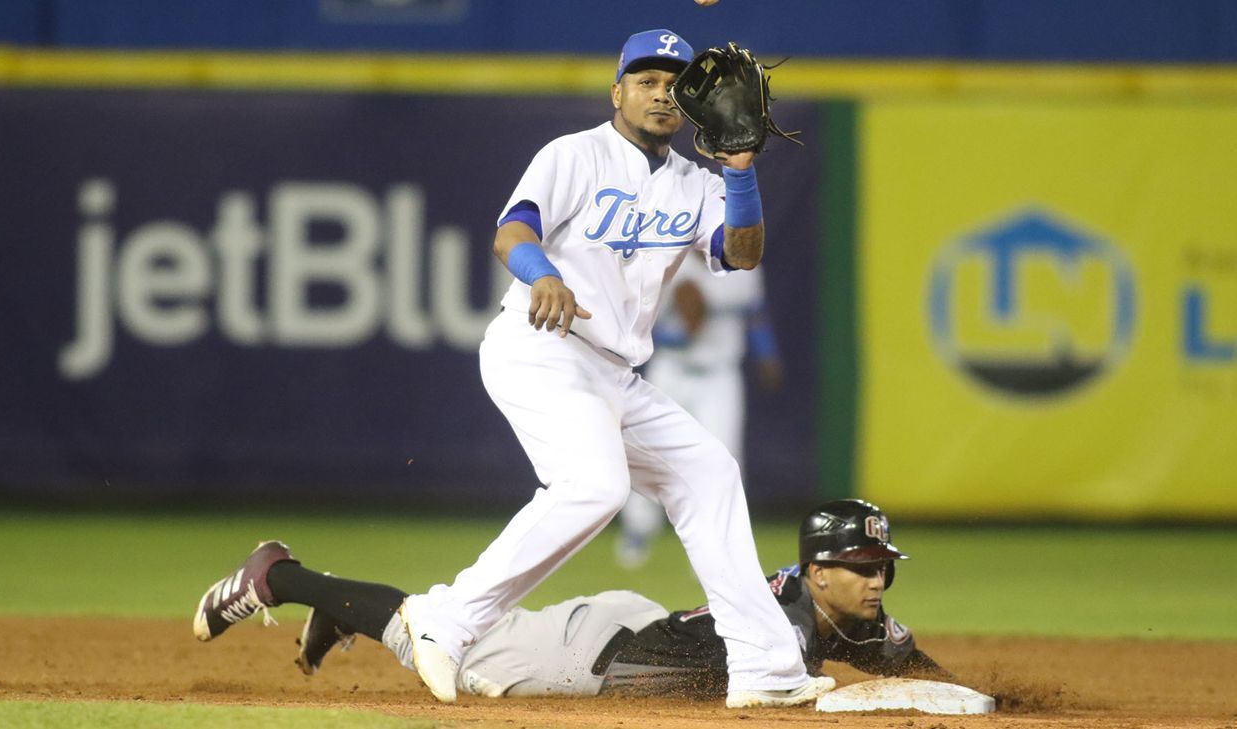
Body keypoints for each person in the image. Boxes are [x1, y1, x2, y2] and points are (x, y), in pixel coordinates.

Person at [193, 27, 830, 709]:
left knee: (707, 472)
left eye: (673, 84)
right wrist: (544, 273)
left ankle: (765, 666)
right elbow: (513, 228)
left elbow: (741, 253)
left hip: (615, 371)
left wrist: (739, 168)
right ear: (615, 91)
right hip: (540, 346)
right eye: (644, 80)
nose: (659, 93)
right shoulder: (575, 154)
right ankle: (445, 618)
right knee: (593, 485)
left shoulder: (695, 184)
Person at [193, 499, 946, 698]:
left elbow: (918, 673)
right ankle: (277, 577)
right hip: (586, 656)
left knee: (429, 628)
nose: (876, 579)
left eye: (882, 564)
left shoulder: (841, 613)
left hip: (631, 622)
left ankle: (345, 607)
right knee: (430, 641)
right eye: (860, 564)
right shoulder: (783, 626)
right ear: (818, 572)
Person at [617, 251, 783, 568]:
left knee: (724, 459)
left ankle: (721, 546)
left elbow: (756, 314)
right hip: (671, 372)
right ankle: (638, 530)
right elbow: (640, 328)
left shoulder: (744, 266)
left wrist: (767, 352)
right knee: (647, 450)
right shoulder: (665, 262)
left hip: (720, 375)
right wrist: (679, 336)